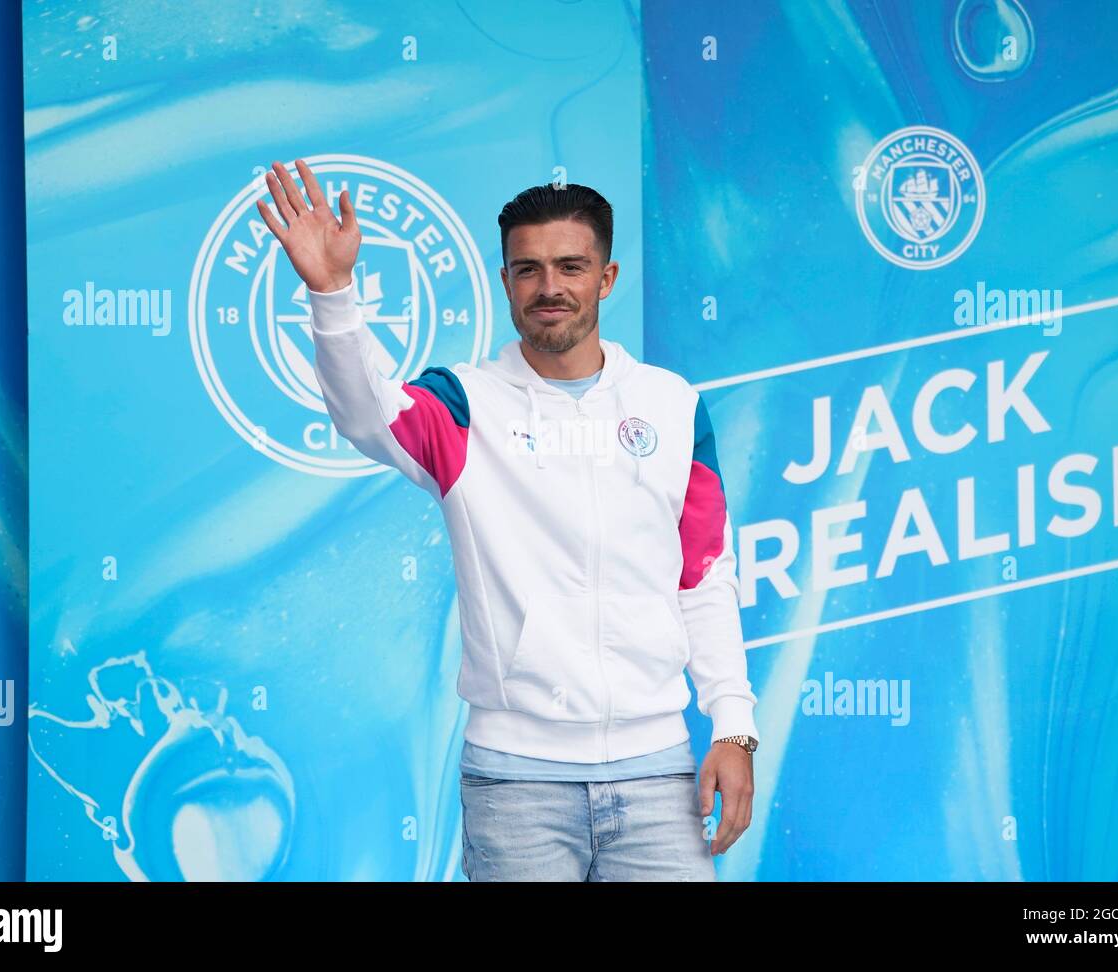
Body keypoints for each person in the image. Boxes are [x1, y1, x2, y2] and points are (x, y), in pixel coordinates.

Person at [257, 159, 759, 881]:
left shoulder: (672, 406)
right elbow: (368, 414)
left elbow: (703, 578)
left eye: (570, 266)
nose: (549, 287)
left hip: (658, 773)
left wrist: (734, 726)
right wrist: (332, 293)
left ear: (607, 278)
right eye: (528, 269)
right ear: (505, 282)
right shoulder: (464, 405)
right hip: (516, 783)